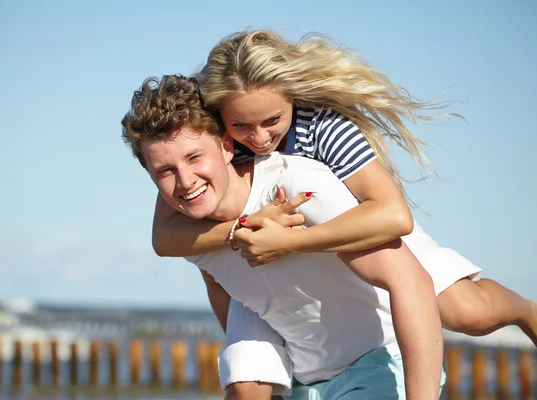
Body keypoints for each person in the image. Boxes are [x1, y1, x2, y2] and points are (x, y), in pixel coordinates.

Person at [151, 29, 537, 347]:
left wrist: (287, 243)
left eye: (272, 120)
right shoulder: (211, 143)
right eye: (242, 126)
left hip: (364, 229)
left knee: (463, 313)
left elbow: (392, 215)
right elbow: (164, 237)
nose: (260, 137)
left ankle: (526, 310)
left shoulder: (323, 128)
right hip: (283, 265)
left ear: (292, 97)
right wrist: (243, 229)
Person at [121, 75, 452, 399]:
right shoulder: (192, 234)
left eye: (195, 157)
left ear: (226, 147)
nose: (186, 180)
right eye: (165, 171)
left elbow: (413, 281)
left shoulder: (294, 189)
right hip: (306, 384)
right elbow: (221, 287)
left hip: (377, 365)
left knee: (471, 310)